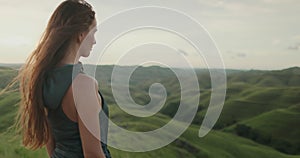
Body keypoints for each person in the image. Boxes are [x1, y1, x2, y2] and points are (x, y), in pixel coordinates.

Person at [2, 0, 111, 157]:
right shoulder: (83, 85)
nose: (94, 41)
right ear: (81, 35)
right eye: (93, 33)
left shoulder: (42, 79)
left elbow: (50, 144)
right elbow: (93, 154)